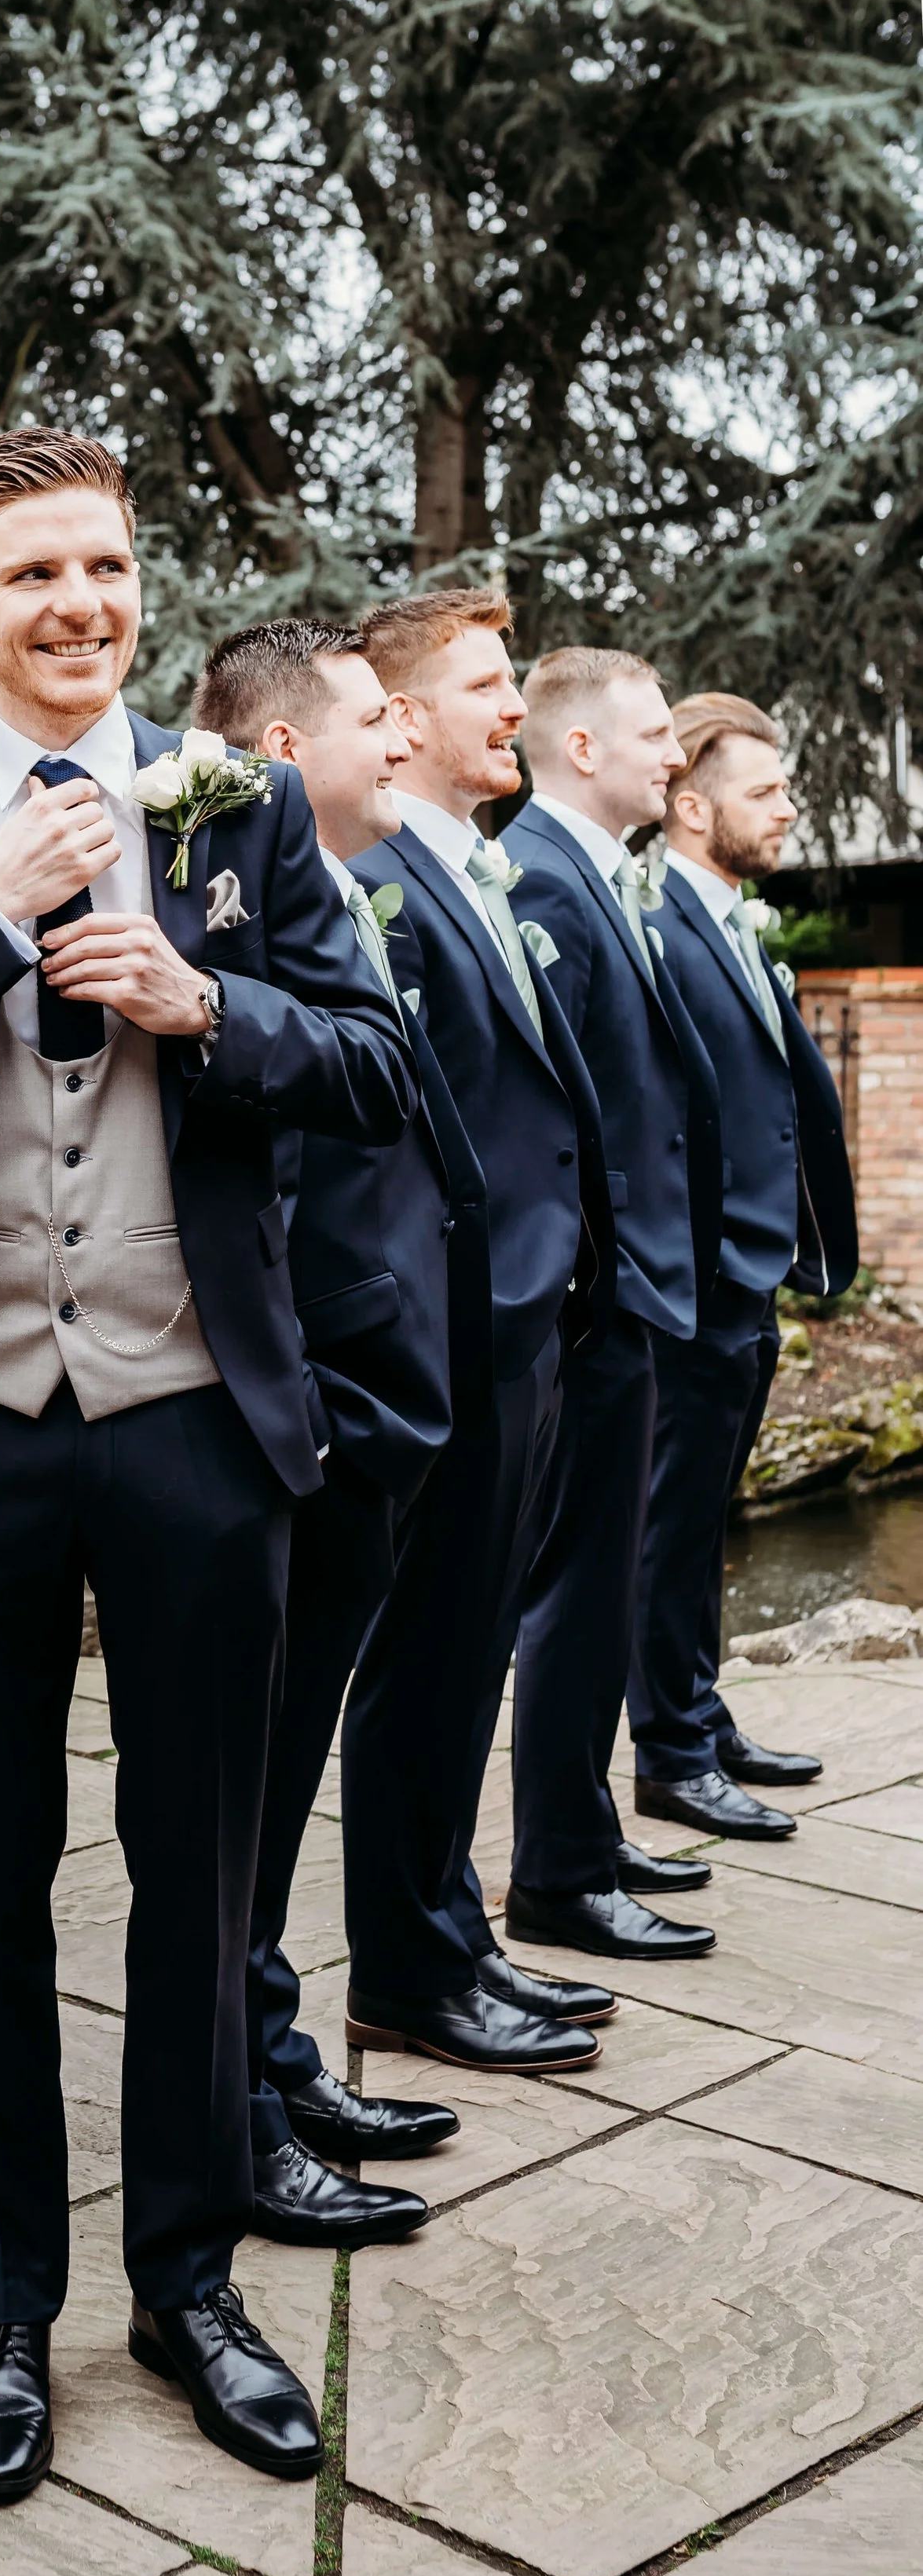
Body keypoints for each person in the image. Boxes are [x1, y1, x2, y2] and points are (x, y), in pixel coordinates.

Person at [0, 429, 417, 2505]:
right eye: (34, 572)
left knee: (199, 1879)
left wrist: (200, 999)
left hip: (189, 1425)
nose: (78, 606)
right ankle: (3, 2302)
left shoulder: (241, 815)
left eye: (108, 569)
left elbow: (378, 1073)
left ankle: (189, 2283)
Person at [190, 619, 474, 2245]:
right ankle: (232, 2112)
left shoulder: (351, 901)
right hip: (309, 1430)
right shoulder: (221, 911)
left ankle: (273, 2050)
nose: (397, 741)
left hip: (380, 1418)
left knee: (276, 1800)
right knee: (238, 1802)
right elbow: (269, 1212)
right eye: (371, 720)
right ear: (283, 754)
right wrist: (334, 1416)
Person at [342, 590, 618, 2073]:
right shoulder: (384, 871)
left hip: (527, 1322)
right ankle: (402, 1969)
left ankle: (454, 1935)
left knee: (470, 1659)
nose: (509, 706)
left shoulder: (478, 869)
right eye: (484, 684)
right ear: (400, 714)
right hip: (447, 1333)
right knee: (427, 1658)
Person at [496, 649, 721, 1960]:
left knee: (598, 1593)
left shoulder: (600, 874)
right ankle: (559, 1871)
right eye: (651, 733)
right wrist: (589, 1290)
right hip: (586, 1307)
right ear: (578, 748)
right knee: (575, 1594)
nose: (672, 755)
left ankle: (581, 1825)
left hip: (627, 1299)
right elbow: (541, 1124)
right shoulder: (538, 877)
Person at [627, 693, 855, 1837]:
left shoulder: (727, 917)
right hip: (698, 1282)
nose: (787, 809)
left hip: (752, 1274)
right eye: (764, 792)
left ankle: (698, 1713)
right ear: (689, 802)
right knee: (669, 1524)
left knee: (709, 1514)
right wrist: (706, 1262)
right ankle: (667, 1750)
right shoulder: (658, 923)